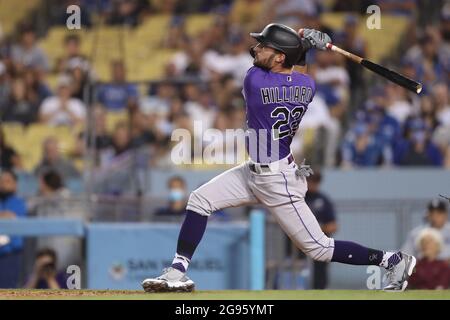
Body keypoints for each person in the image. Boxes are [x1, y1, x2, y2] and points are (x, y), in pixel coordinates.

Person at [142, 24, 416, 293]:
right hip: (256, 171)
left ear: (280, 57)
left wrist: (302, 43)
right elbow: (295, 74)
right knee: (199, 200)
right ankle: (177, 271)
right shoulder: (307, 85)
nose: (257, 48)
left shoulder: (254, 81)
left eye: (264, 46)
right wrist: (305, 47)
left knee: (319, 248)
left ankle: (393, 260)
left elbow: (268, 66)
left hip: (277, 180)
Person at [305, 170, 337, 289]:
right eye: (310, 181)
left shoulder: (324, 200)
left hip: (319, 244)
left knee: (320, 275)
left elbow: (333, 225)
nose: (312, 184)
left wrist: (317, 229)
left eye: (315, 181)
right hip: (297, 246)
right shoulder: (299, 198)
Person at [0, 170, 27, 288]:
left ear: (15, 184)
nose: (3, 184)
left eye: (7, 181)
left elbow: (14, 217)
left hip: (11, 256)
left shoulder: (19, 203)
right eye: (1, 181)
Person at [402, 198, 450, 263]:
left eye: (439, 213)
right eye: (432, 213)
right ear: (428, 214)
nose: (435, 216)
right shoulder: (416, 233)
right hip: (423, 269)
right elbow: (405, 256)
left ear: (445, 214)